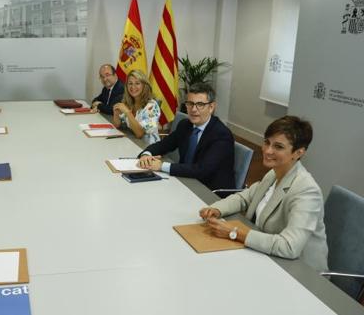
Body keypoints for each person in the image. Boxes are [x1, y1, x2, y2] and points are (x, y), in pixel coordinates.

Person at [199, 116, 328, 271]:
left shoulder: (307, 191)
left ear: (298, 152)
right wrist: (216, 209)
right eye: (267, 142)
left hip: (300, 273)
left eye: (278, 147)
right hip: (267, 257)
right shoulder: (274, 173)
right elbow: (244, 197)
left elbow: (289, 246)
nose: (267, 151)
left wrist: (235, 233)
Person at [137, 82, 234, 190]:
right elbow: (164, 144)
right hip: (184, 181)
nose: (193, 109)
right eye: (190, 104)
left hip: (210, 191)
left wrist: (161, 166)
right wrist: (146, 154)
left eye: (200, 105)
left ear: (211, 107)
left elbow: (202, 170)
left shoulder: (221, 135)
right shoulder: (185, 125)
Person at [112, 70, 160, 144]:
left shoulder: (152, 106)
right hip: (132, 142)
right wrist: (116, 114)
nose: (133, 87)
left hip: (149, 147)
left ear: (144, 85)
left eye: (137, 83)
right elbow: (117, 125)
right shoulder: (128, 102)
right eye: (130, 83)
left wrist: (128, 113)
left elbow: (140, 134)